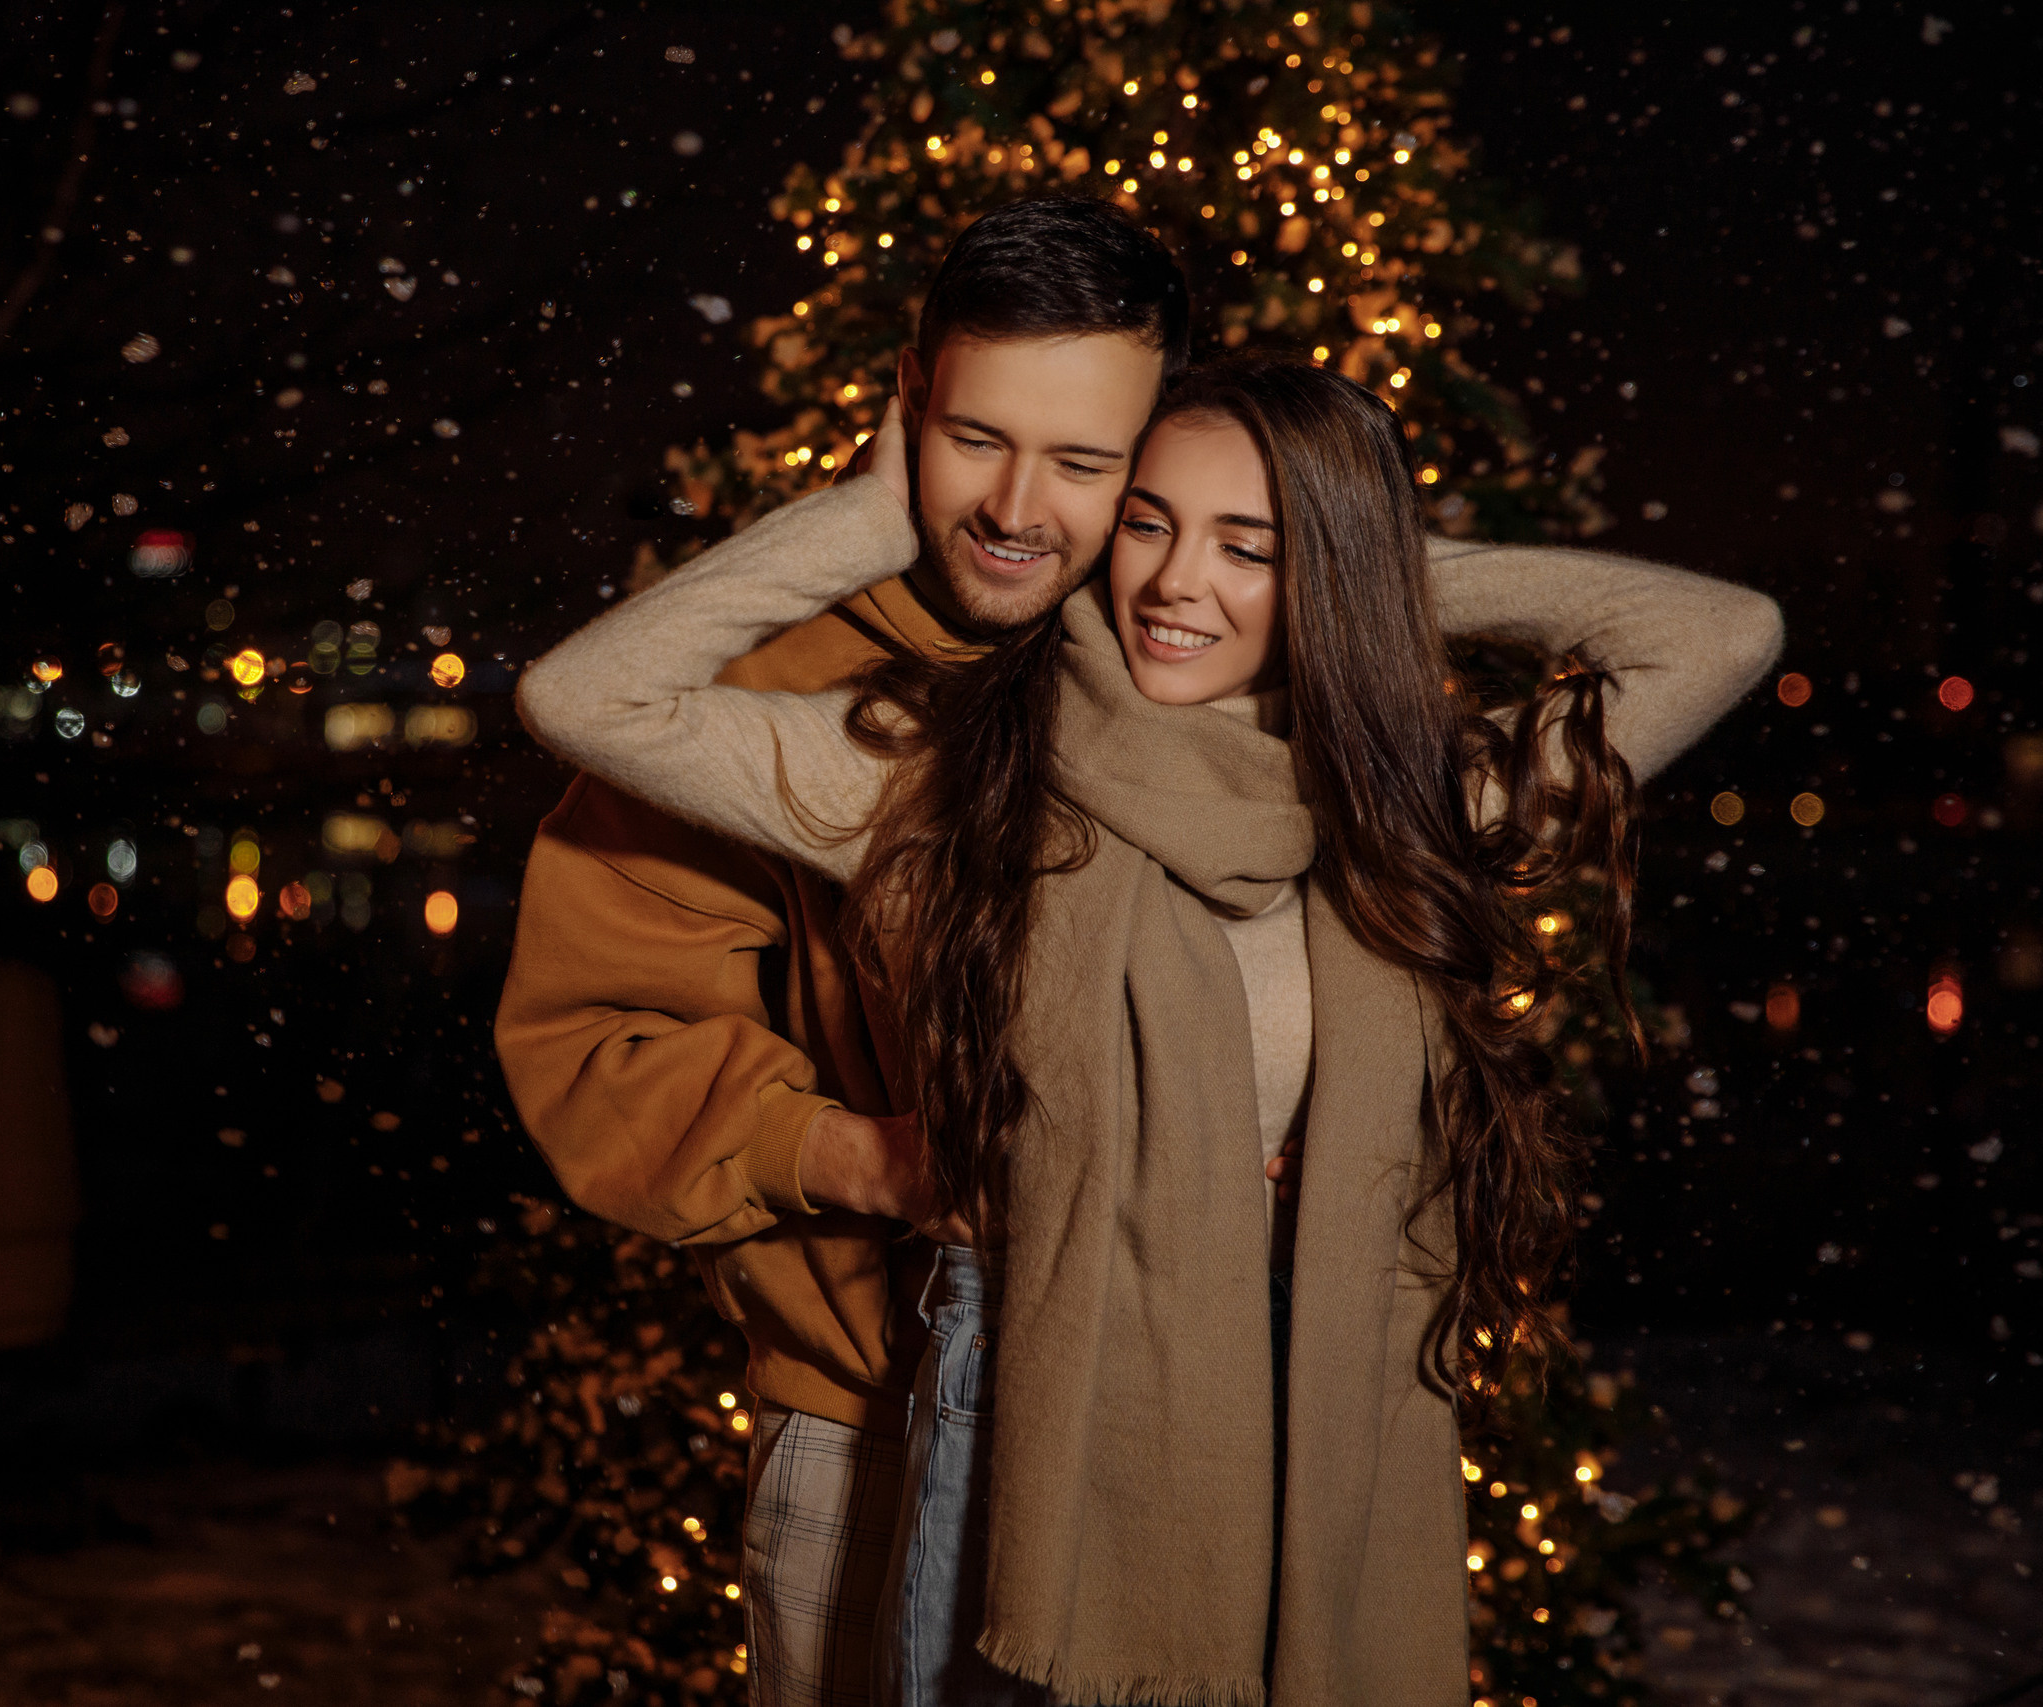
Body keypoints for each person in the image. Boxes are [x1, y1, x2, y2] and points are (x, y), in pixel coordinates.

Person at [512, 349, 1781, 1706]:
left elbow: (1725, 636)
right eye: (1152, 525)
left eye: (1248, 548)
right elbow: (584, 702)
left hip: (1313, 1406)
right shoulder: (947, 782)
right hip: (1022, 1399)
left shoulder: (1401, 802)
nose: (1177, 585)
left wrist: (1374, 554)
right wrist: (870, 521)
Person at [494, 196, 1190, 1706]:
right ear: (904, 405)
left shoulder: (1202, 666)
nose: (1018, 507)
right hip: (865, 1424)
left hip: (1180, 1439)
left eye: (1085, 461)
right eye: (975, 440)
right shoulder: (761, 689)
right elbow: (594, 1035)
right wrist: (872, 1162)